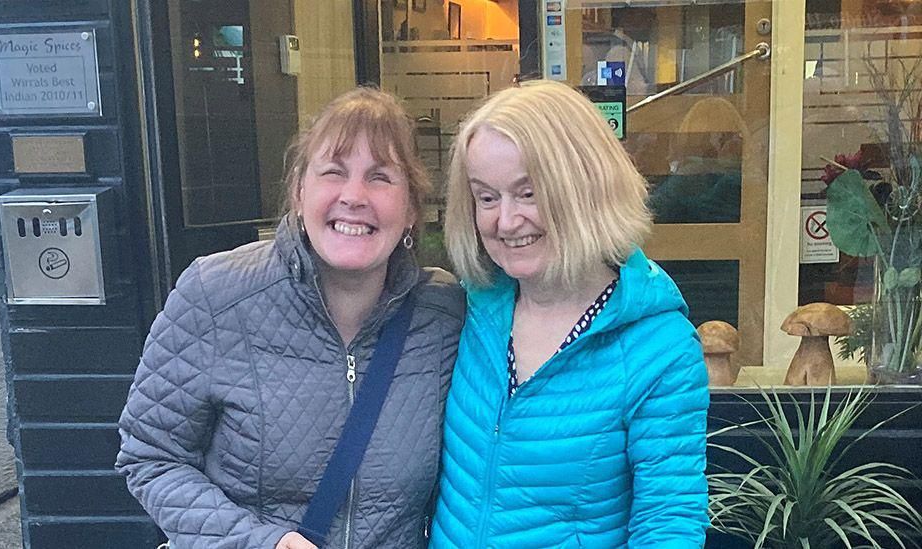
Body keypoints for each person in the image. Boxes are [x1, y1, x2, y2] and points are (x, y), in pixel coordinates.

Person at [116, 87, 464, 549]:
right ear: (300, 192)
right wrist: (258, 542)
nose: (354, 196)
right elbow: (150, 455)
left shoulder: (444, 315)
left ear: (412, 210)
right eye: (333, 173)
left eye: (380, 177)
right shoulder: (216, 295)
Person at [430, 80, 710, 547]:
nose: (505, 221)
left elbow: (669, 520)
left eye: (528, 193)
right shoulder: (467, 307)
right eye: (486, 197)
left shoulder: (660, 349)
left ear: (586, 186)